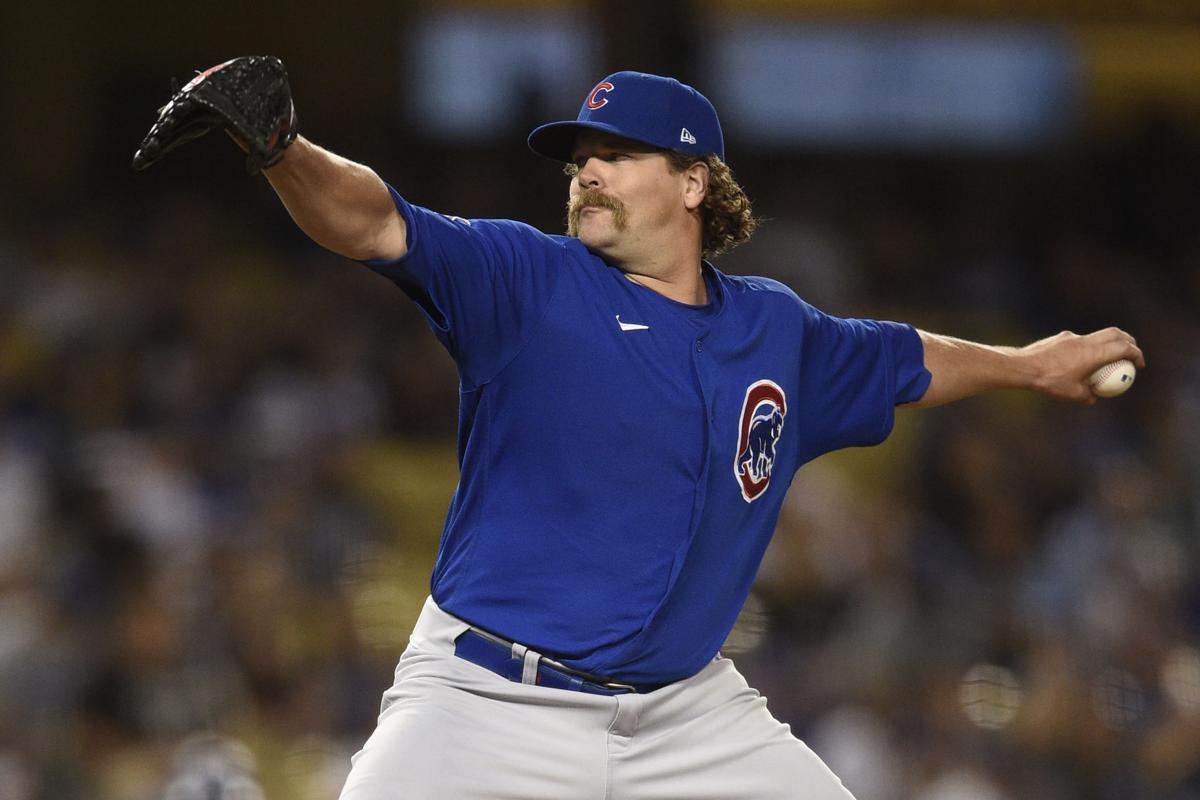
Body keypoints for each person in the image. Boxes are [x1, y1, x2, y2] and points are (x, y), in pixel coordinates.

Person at [136, 63, 1144, 799]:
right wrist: (283, 152)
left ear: (694, 182)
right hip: (489, 701)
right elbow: (375, 222)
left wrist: (1026, 364)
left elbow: (905, 359)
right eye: (581, 158)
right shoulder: (529, 280)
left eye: (617, 155)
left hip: (685, 714)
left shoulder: (776, 329)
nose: (588, 172)